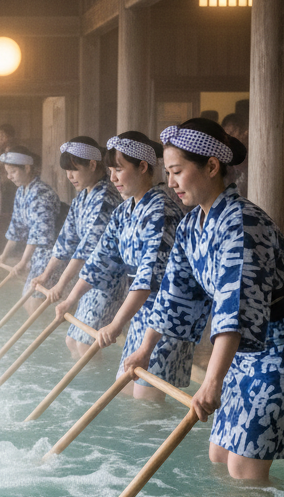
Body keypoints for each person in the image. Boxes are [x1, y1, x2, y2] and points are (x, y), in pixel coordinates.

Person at [125, 118, 284, 481]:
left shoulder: (244, 223)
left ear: (211, 167)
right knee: (219, 456)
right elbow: (174, 295)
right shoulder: (189, 225)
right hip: (240, 351)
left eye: (177, 171)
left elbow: (236, 310)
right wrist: (145, 349)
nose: (170, 183)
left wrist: (212, 382)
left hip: (278, 348)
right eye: (167, 172)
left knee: (242, 468)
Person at [54, 132, 192, 401]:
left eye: (119, 169)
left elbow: (148, 277)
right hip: (141, 314)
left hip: (165, 316)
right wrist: (69, 298)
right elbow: (100, 260)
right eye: (110, 170)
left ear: (143, 167)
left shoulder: (161, 210)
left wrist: (116, 324)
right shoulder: (125, 210)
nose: (113, 177)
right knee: (127, 394)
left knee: (145, 403)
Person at [33, 137, 122, 358]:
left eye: (74, 170)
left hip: (107, 282)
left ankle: (90, 388)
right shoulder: (82, 197)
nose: (69, 176)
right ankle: (82, 389)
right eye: (66, 171)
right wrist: (46, 276)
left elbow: (85, 250)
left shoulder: (105, 198)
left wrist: (61, 287)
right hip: (87, 280)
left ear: (92, 165)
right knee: (72, 340)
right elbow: (66, 241)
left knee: (84, 344)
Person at [0, 145, 60, 311]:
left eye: (13, 171)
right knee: (29, 303)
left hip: (53, 255)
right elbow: (16, 229)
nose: (9, 177)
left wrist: (22, 262)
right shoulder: (21, 192)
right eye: (7, 172)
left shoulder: (42, 193)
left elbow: (38, 235)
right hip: (37, 256)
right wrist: (3, 256)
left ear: (27, 168)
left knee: (34, 304)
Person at [221, 111, 249, 199]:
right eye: (226, 134)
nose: (228, 138)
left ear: (245, 133)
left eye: (232, 132)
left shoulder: (253, 158)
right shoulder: (225, 161)